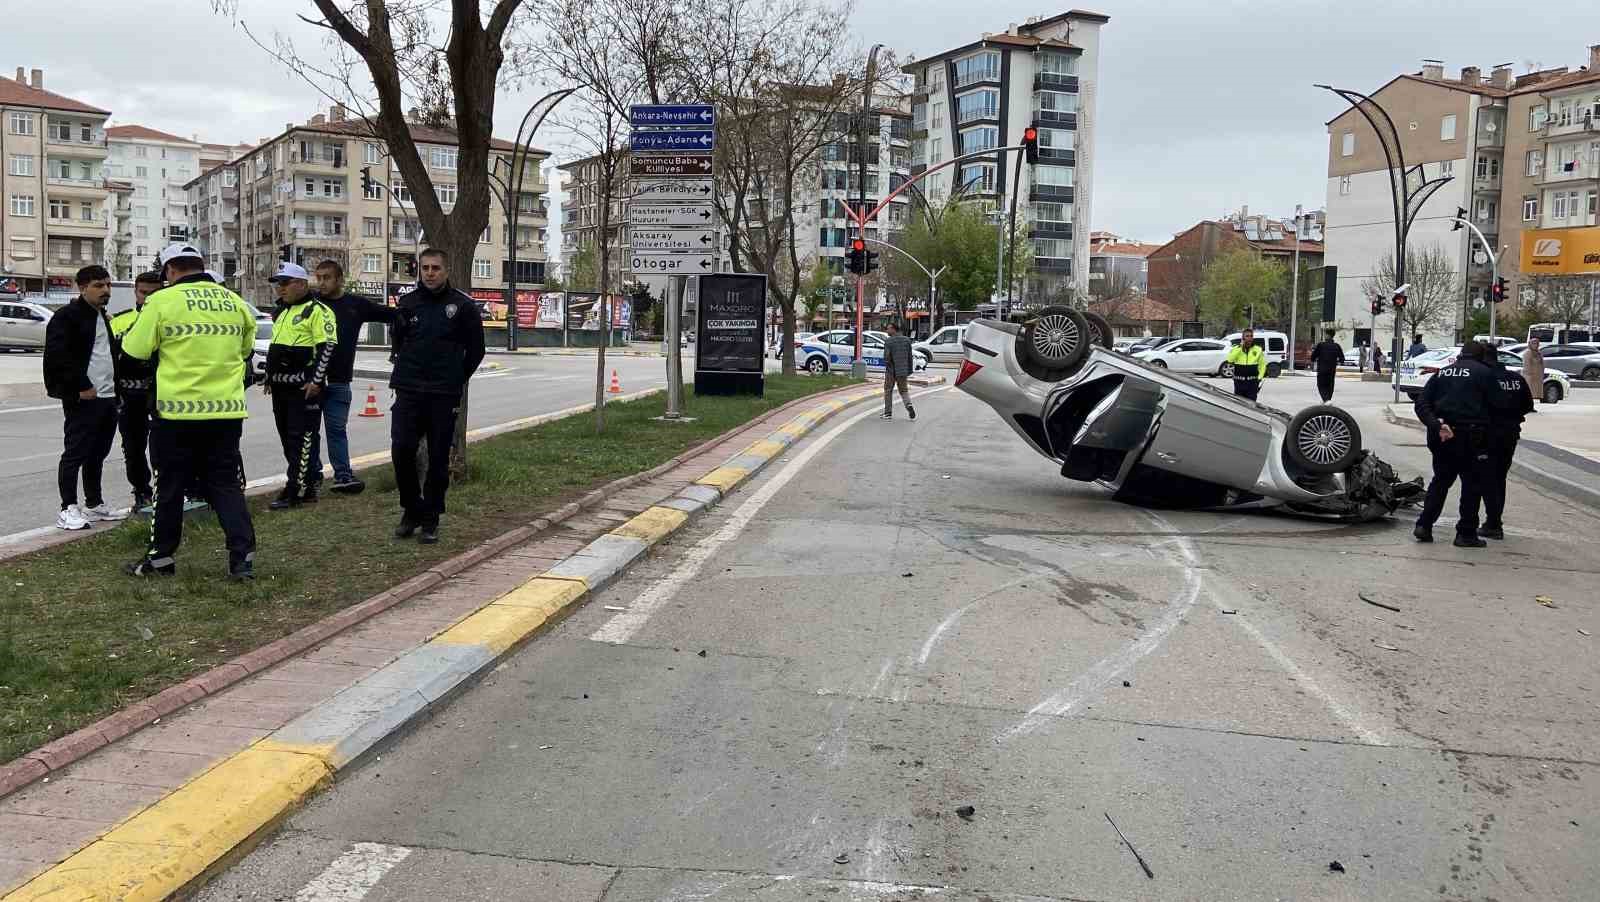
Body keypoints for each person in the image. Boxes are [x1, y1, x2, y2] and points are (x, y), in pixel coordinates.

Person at [120, 244, 257, 578]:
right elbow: (245, 351)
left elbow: (134, 350)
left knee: (169, 486)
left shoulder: (161, 301)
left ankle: (161, 558)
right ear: (201, 266)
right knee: (225, 485)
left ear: (169, 271)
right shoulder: (235, 302)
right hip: (225, 412)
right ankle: (242, 560)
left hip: (176, 413)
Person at [390, 248, 485, 544]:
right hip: (409, 390)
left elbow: (477, 350)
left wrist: (456, 378)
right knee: (401, 450)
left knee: (438, 458)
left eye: (436, 268)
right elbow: (398, 340)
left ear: (446, 270)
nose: (430, 273)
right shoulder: (407, 304)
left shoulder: (463, 306)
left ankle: (430, 518)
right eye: (425, 268)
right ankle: (411, 508)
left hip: (443, 394)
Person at [43, 265, 127, 530]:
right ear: (82, 288)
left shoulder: (102, 316)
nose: (105, 291)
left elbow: (107, 356)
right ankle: (68, 508)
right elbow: (59, 356)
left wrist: (117, 391)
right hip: (84, 397)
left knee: (98, 453)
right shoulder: (67, 316)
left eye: (108, 285)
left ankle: (94, 504)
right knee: (75, 453)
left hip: (108, 396)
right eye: (98, 286)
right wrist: (81, 386)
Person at [312, 259, 397, 495]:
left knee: (337, 431)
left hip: (340, 382)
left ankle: (343, 476)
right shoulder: (311, 304)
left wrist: (414, 310)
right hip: (311, 383)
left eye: (326, 277)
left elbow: (389, 314)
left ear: (340, 279)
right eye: (318, 278)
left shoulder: (355, 305)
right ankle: (312, 476)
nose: (321, 283)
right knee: (310, 432)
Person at [262, 262, 337, 510]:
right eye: (278, 284)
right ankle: (300, 482)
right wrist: (270, 379)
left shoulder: (318, 311)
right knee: (287, 439)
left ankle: (299, 490)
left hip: (304, 389)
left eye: (285, 283)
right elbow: (278, 349)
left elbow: (327, 347)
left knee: (302, 439)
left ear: (302, 284)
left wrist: (316, 381)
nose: (279, 289)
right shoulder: (282, 312)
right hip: (281, 389)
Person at [1412, 341, 1498, 548]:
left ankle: (1424, 525)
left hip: (1443, 436)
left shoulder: (1442, 373)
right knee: (1471, 485)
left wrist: (1436, 424)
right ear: (1480, 356)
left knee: (1440, 481)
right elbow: (1498, 406)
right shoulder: (1485, 374)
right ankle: (1466, 533)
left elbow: (1421, 404)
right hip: (1472, 437)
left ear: (1461, 355)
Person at [108, 272, 164, 511]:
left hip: (163, 396)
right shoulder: (119, 321)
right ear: (136, 292)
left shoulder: (170, 320)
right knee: (133, 447)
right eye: (144, 293)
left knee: (165, 447)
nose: (149, 298)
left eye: (155, 293)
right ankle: (141, 492)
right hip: (129, 398)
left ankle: (168, 491)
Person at [1481, 345, 1535, 540]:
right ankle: (1494, 520)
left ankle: (1493, 523)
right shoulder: (1516, 379)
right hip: (1510, 434)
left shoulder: (1486, 379)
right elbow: (1529, 405)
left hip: (1488, 435)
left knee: (1486, 478)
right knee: (1499, 478)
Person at [880, 321, 916, 421]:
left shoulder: (889, 341)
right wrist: (909, 370)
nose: (887, 331)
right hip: (903, 371)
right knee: (904, 390)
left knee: (888, 390)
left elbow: (886, 357)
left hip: (891, 370)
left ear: (893, 329)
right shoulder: (907, 340)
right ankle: (908, 405)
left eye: (888, 329)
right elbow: (910, 357)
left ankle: (888, 413)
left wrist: (888, 366)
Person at [1225, 327, 1267, 401]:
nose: (1249, 338)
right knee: (1239, 404)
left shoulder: (1258, 349)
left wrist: (1259, 378)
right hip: (1239, 382)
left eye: (1251, 336)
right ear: (1243, 338)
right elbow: (1230, 359)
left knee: (1251, 404)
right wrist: (1240, 347)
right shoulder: (1236, 348)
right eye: (1247, 336)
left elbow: (1262, 365)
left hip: (1252, 382)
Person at [1311, 330, 1345, 403]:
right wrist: (1337, 361)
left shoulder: (1321, 345)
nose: (1324, 336)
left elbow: (1313, 357)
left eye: (1325, 334)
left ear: (1328, 335)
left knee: (1321, 385)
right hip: (1332, 370)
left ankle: (1326, 400)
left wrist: (1314, 359)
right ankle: (1328, 400)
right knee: (1330, 386)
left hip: (1322, 370)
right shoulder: (1337, 346)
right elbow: (1342, 359)